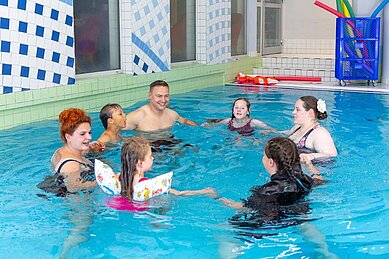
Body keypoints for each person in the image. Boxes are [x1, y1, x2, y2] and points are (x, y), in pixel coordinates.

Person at [107, 137, 217, 211]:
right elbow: (177, 193)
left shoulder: (119, 176)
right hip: (143, 210)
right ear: (140, 163)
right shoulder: (147, 185)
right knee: (165, 206)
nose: (153, 158)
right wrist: (203, 191)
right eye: (150, 156)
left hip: (121, 205)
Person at [216, 137, 316, 211]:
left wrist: (216, 196)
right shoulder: (305, 180)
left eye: (264, 156)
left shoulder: (266, 191)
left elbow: (244, 208)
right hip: (299, 215)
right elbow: (318, 178)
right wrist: (309, 165)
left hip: (270, 224)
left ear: (270, 162)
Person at [38, 108, 99, 196]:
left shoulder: (60, 152)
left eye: (89, 132)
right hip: (77, 202)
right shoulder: (72, 166)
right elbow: (73, 188)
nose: (89, 137)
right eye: (83, 134)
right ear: (68, 137)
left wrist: (89, 146)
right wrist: (104, 181)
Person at [124, 80, 198, 132]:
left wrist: (203, 128)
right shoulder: (137, 116)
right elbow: (115, 129)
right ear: (150, 95)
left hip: (170, 144)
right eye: (159, 96)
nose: (163, 100)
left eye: (166, 96)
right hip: (149, 148)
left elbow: (187, 122)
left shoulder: (172, 114)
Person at [288, 96, 337, 164]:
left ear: (310, 113)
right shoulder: (297, 128)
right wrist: (270, 130)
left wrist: (311, 156)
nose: (293, 112)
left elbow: (332, 155)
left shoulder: (319, 133)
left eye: (298, 110)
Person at [203, 97, 275, 135]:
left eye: (242, 108)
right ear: (233, 110)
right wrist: (205, 125)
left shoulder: (254, 122)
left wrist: (265, 131)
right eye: (236, 108)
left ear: (248, 111)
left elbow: (272, 130)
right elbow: (213, 125)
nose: (239, 110)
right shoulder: (228, 121)